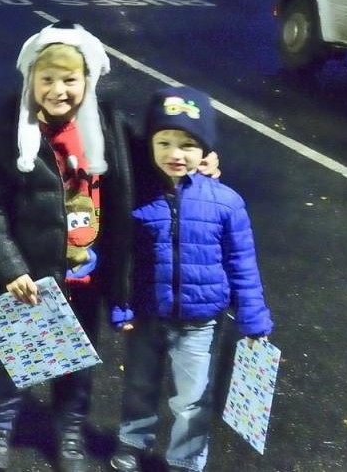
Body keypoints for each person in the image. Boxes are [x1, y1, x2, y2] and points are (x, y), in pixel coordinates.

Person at [0, 22, 134, 472]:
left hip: (85, 275)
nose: (58, 90)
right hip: (31, 276)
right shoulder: (13, 131)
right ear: (31, 80)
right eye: (47, 79)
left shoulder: (107, 126)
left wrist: (202, 161)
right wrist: (11, 268)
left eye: (70, 79)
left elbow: (139, 175)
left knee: (76, 363)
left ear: (88, 80)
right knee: (16, 358)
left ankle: (70, 432)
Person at [107, 87, 273, 472]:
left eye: (187, 144)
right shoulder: (136, 199)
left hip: (200, 323)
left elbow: (242, 264)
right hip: (147, 315)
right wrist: (120, 304)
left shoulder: (226, 202)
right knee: (140, 385)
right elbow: (122, 259)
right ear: (149, 145)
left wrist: (254, 319)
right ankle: (133, 441)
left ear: (206, 150)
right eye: (163, 142)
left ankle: (185, 458)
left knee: (193, 398)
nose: (175, 153)